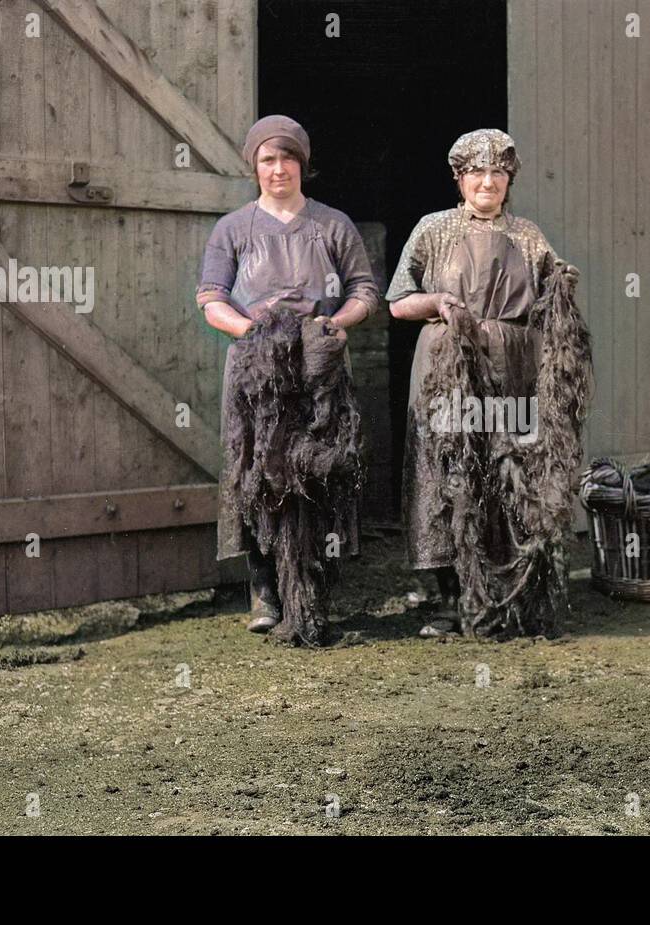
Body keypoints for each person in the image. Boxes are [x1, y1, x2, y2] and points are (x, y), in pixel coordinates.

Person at [388, 129, 586, 638]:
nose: (487, 181)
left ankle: (506, 591)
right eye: (476, 171)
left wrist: (563, 284)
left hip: (511, 368)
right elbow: (397, 300)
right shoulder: (433, 230)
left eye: (498, 172)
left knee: (506, 468)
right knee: (450, 466)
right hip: (447, 366)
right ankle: (448, 600)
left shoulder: (528, 235)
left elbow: (549, 302)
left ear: (509, 179)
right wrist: (436, 304)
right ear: (459, 177)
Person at [197, 115, 379, 634]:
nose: (279, 170)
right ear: (255, 167)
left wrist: (331, 325)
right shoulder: (233, 228)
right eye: (267, 160)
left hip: (319, 365)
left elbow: (364, 292)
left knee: (321, 468)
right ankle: (265, 594)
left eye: (288, 159)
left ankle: (316, 587)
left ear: (303, 164)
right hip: (256, 369)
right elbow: (211, 297)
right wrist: (250, 331)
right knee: (256, 473)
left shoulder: (332, 225)